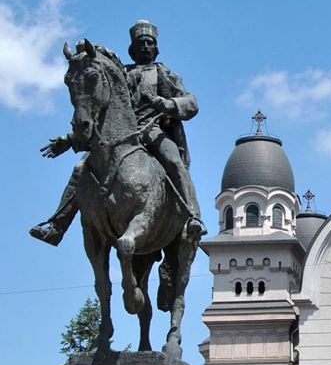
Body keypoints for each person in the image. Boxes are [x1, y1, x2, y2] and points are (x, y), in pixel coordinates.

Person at [30, 20, 205, 245]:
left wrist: (168, 104)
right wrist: (70, 139)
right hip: (119, 136)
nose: (145, 47)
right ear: (132, 49)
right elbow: (100, 113)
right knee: (81, 169)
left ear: (155, 48)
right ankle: (57, 226)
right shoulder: (119, 74)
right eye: (140, 43)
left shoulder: (163, 73)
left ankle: (193, 217)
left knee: (174, 162)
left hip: (152, 130)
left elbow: (191, 103)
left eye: (149, 43)